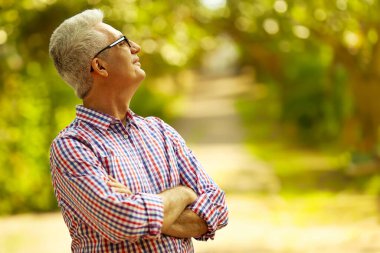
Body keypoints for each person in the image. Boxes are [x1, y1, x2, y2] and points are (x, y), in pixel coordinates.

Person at [48, 9, 228, 252]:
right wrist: (184, 194)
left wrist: (139, 202)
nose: (136, 47)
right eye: (123, 42)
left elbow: (217, 208)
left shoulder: (160, 132)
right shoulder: (72, 146)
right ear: (100, 66)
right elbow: (124, 222)